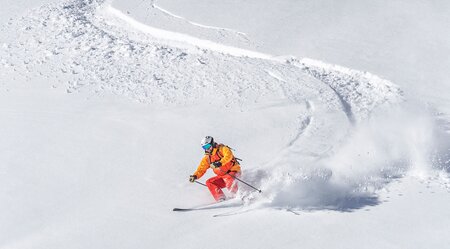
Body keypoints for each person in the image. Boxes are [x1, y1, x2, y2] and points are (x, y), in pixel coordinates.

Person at [189, 136, 241, 202]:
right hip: (222, 176)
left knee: (228, 178)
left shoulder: (222, 149)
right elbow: (201, 169)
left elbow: (228, 156)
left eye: (208, 146)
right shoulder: (207, 158)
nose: (207, 149)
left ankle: (237, 197)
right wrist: (195, 176)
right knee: (210, 182)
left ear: (212, 144)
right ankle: (221, 198)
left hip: (233, 172)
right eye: (204, 147)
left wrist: (219, 163)